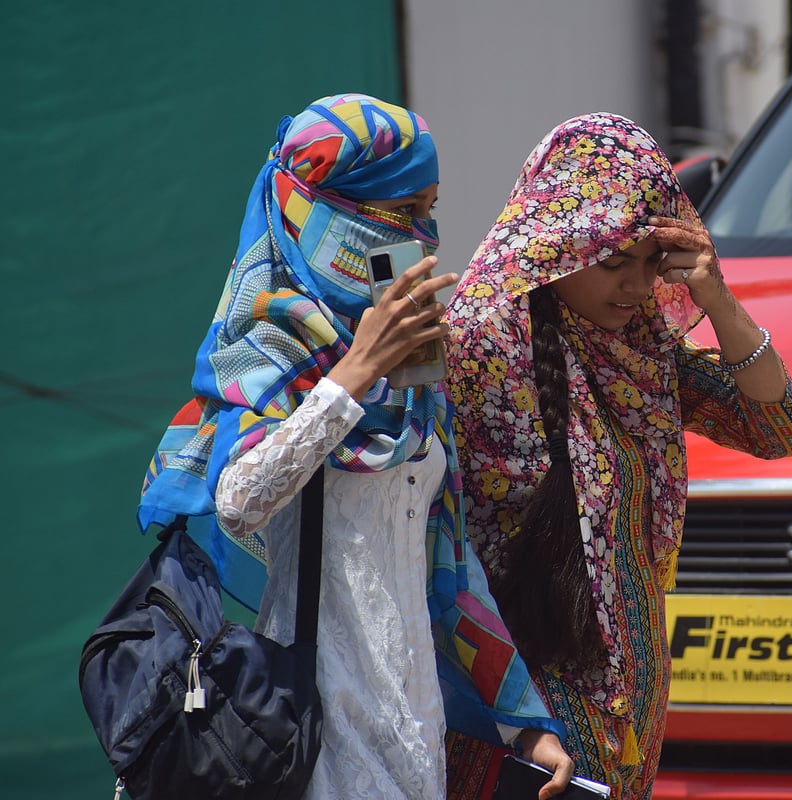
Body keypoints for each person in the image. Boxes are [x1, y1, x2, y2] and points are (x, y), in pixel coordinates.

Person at [135, 93, 572, 800]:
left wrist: (524, 721)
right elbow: (239, 500)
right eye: (401, 214)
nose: (421, 237)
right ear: (325, 210)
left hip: (413, 726)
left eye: (430, 211)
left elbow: (448, 565)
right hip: (310, 725)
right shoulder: (269, 347)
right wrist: (350, 378)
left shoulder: (418, 372)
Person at [442, 113, 792, 799]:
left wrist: (718, 298)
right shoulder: (478, 345)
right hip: (525, 722)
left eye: (651, 264)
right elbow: (442, 558)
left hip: (629, 711)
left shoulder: (640, 350)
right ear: (556, 244)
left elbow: (782, 429)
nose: (637, 287)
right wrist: (518, 719)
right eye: (614, 263)